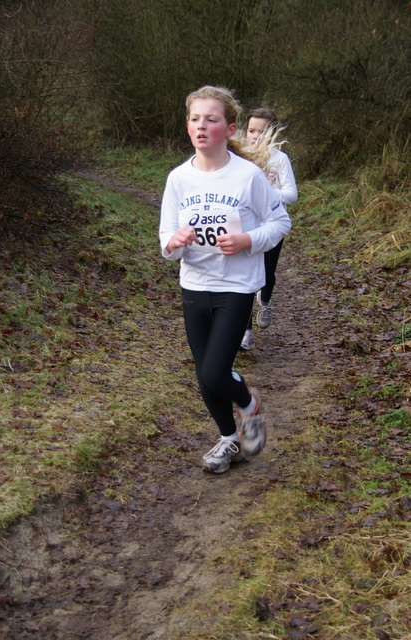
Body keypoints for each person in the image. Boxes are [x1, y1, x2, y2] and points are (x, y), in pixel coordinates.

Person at [159, 86, 291, 474]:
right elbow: (166, 241)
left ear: (229, 128)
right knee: (204, 374)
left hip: (236, 287)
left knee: (216, 371)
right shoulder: (178, 179)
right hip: (194, 284)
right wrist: (175, 242)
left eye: (211, 119)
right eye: (195, 119)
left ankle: (250, 406)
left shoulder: (248, 176)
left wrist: (248, 239)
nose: (202, 126)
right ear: (187, 127)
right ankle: (229, 439)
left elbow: (281, 221)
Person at [240, 107, 298, 351]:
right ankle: (246, 331)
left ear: (272, 132)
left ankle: (265, 300)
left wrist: (265, 193)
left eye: (262, 131)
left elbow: (292, 195)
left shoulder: (279, 159)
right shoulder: (239, 156)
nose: (255, 136)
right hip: (247, 225)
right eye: (252, 130)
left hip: (273, 224)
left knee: (267, 273)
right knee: (244, 277)